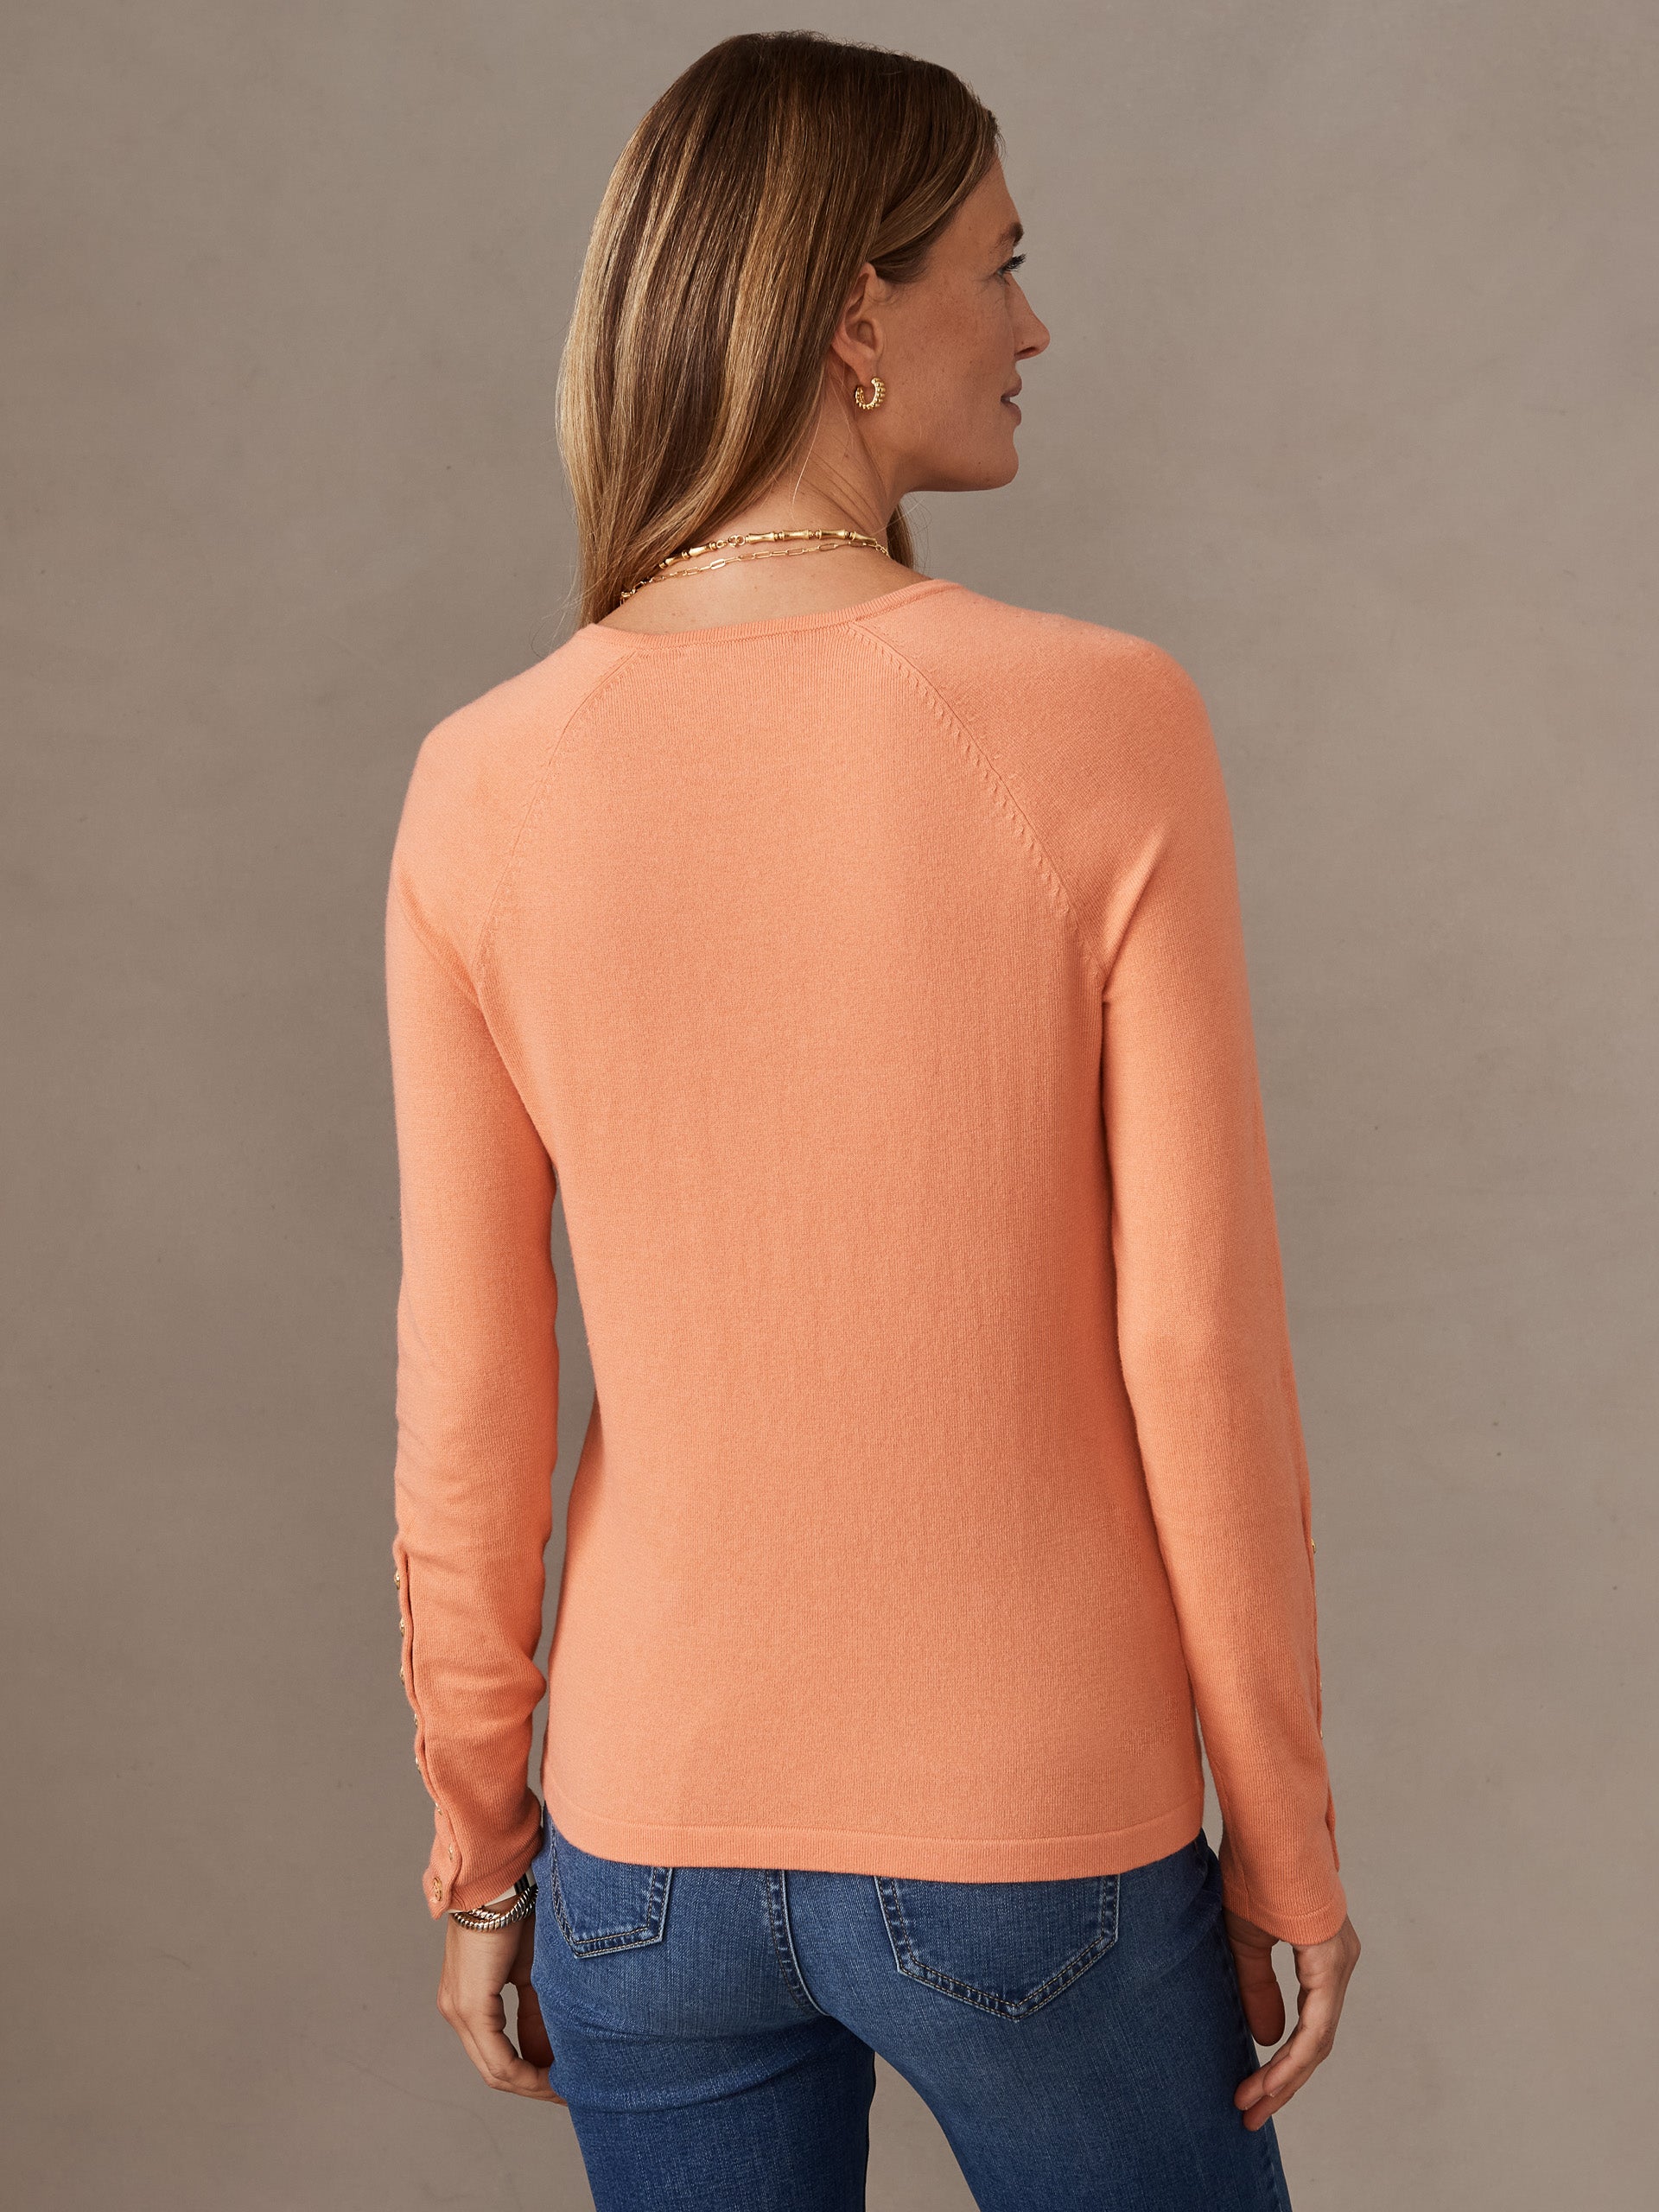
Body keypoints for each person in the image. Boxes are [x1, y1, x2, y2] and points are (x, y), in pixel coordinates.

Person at [384, 29, 1360, 2211]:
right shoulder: (1098, 720)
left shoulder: (483, 777)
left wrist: (482, 1848)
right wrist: (1286, 1839)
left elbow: (470, 1387)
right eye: (997, 267)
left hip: (641, 1852)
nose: (1032, 326)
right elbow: (1194, 1343)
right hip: (1036, 1830)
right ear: (853, 311)